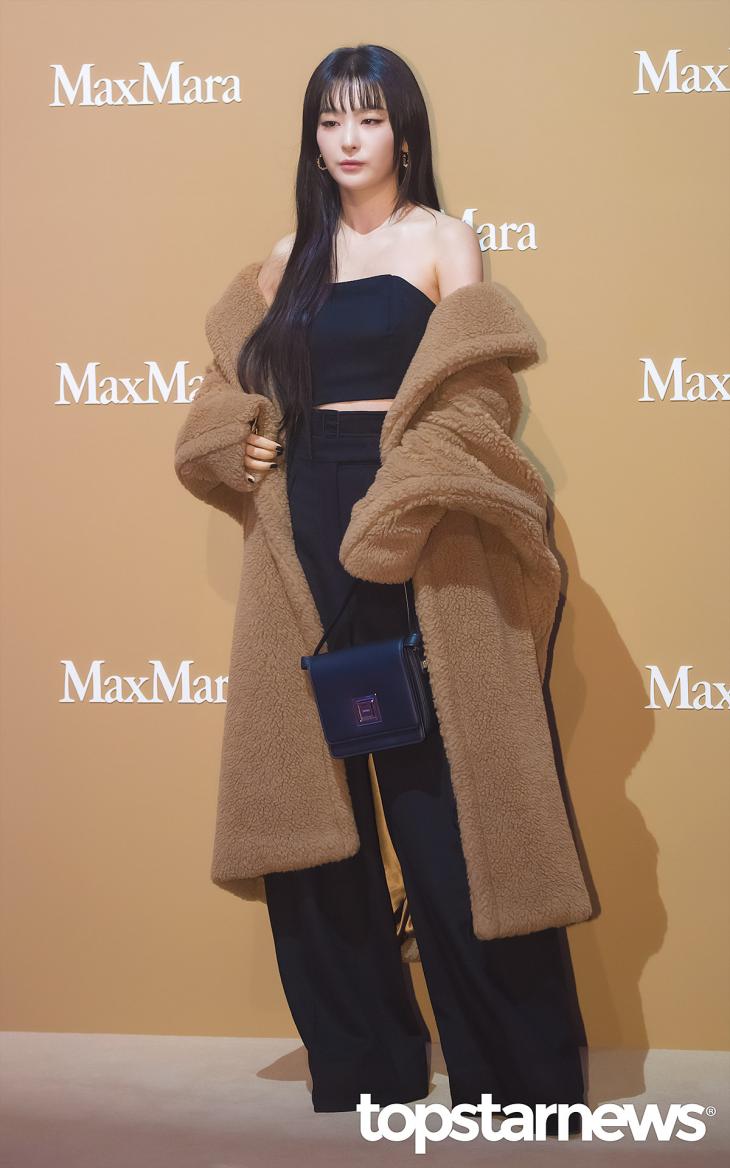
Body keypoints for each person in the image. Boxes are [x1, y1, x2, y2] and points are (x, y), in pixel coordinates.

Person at [174, 44, 590, 1132]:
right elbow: (227, 391)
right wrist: (236, 440)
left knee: (451, 805)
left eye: (366, 117)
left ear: (403, 129)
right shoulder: (285, 261)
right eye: (328, 120)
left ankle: (517, 1075)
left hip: (417, 527)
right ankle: (365, 1061)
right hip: (303, 531)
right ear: (311, 139)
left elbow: (478, 395)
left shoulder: (443, 240)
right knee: (315, 811)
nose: (347, 138)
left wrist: (402, 499)